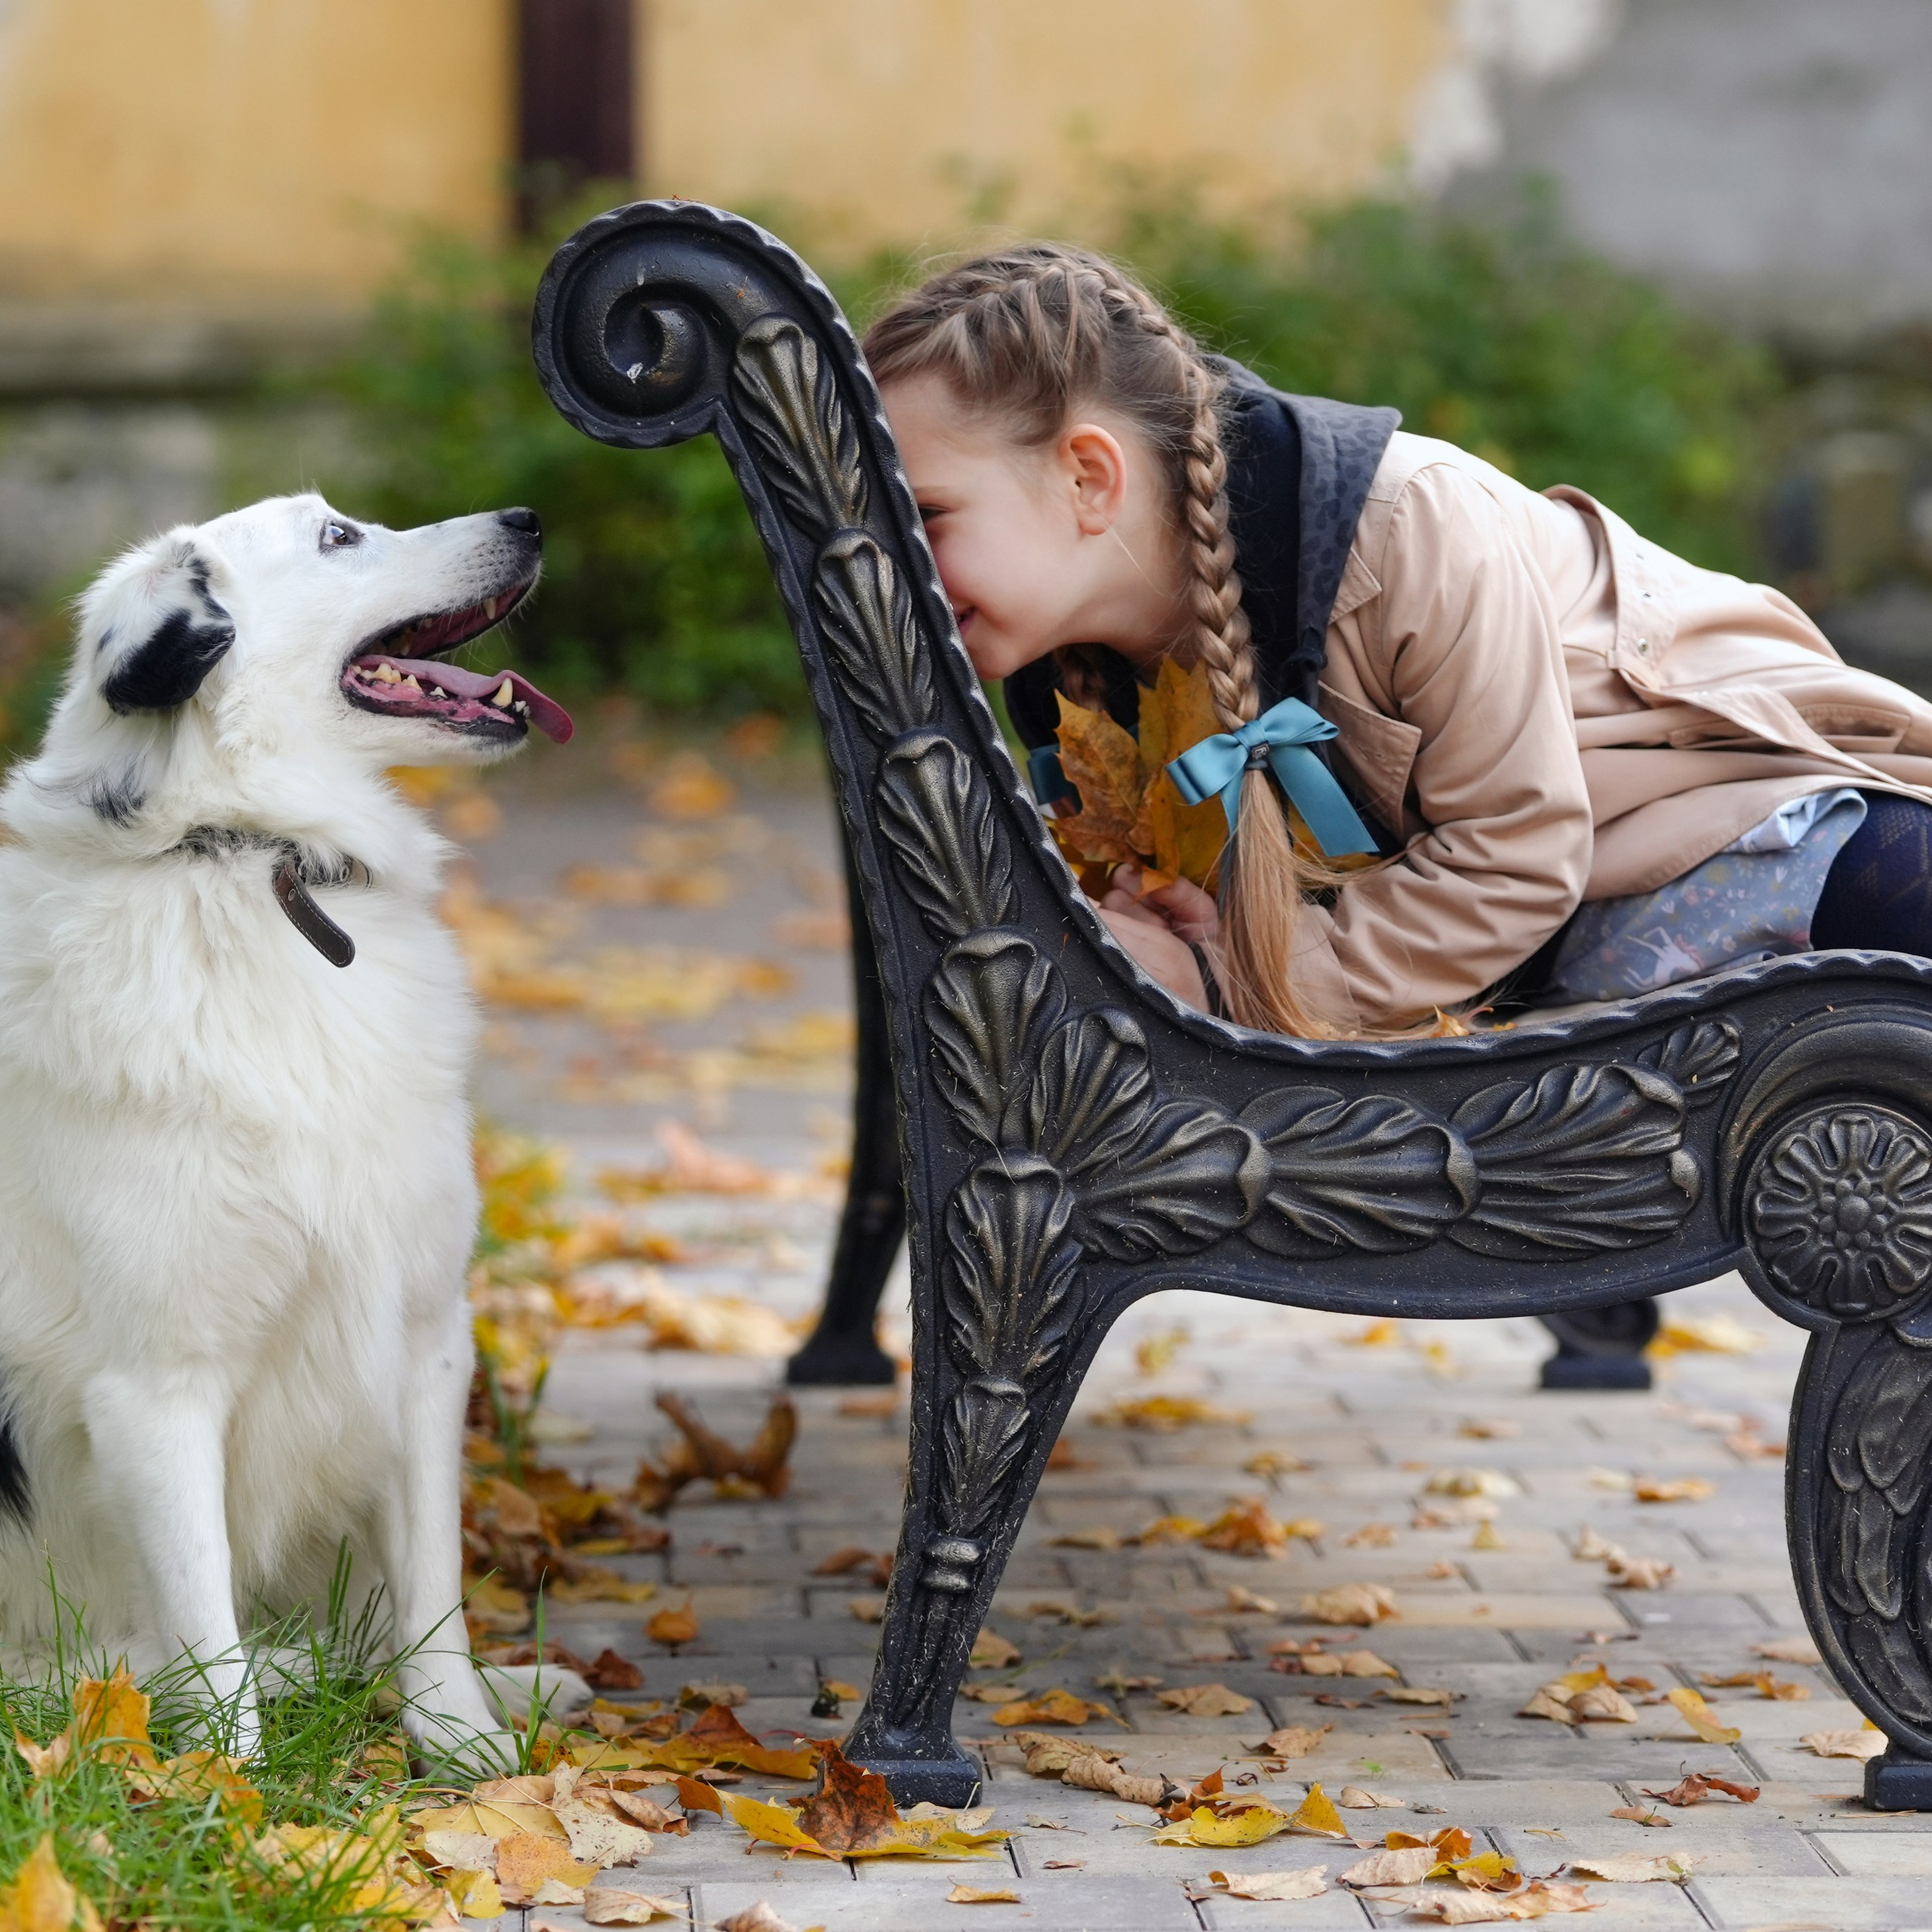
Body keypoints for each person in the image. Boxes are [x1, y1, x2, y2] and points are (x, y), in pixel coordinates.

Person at [863, 243, 1932, 1038]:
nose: (893, 563)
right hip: (1503, 938)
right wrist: (1168, 927)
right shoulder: (1072, 674)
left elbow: (1516, 856)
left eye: (929, 516)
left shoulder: (1408, 525)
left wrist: (1232, 983)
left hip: (1730, 819)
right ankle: (1596, 1336)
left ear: (1090, 478)